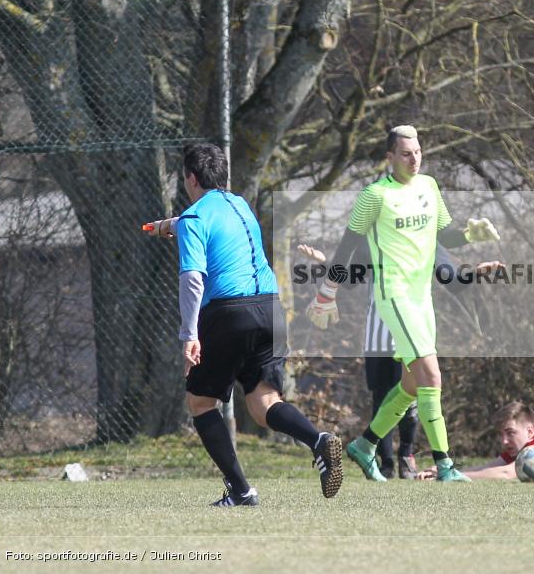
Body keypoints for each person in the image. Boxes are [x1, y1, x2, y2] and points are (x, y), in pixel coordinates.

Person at [143, 143, 343, 506]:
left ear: (189, 178)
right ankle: (318, 441)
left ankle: (241, 490)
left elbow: (192, 278)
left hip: (229, 312)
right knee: (263, 402)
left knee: (201, 403)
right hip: (270, 309)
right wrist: (167, 226)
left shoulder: (193, 219)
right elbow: (203, 220)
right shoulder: (240, 205)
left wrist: (189, 333)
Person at [305, 125, 500, 483]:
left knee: (411, 384)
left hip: (421, 297)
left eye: (418, 152)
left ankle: (365, 446)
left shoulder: (429, 187)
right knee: (432, 375)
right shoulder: (374, 195)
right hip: (393, 296)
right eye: (406, 153)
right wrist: (327, 291)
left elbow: (445, 236)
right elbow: (346, 248)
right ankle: (445, 465)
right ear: (389, 157)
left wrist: (472, 234)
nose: (414, 159)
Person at [297, 242, 503, 480]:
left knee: (413, 391)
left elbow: (453, 281)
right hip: (379, 334)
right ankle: (395, 460)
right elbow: (350, 279)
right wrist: (327, 263)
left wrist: (475, 272)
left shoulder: (427, 236)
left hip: (416, 325)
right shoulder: (374, 239)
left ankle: (399, 453)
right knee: (402, 390)